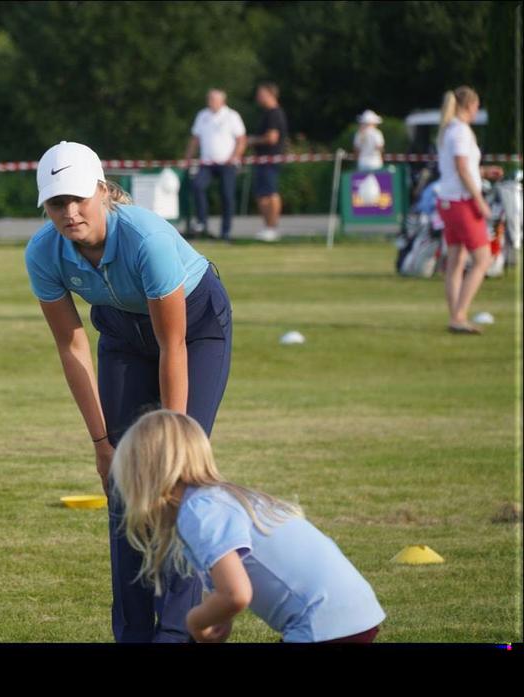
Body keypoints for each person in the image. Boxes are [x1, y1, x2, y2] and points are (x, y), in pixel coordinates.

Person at [25, 141, 233, 643]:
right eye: (56, 203)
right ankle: (134, 633)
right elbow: (72, 346)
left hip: (195, 329)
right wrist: (101, 444)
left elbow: (173, 344)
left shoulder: (146, 239)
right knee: (123, 479)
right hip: (120, 335)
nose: (70, 212)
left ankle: (179, 631)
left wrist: (174, 442)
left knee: (176, 480)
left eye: (78, 198)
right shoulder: (42, 253)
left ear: (101, 191)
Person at [110, 409, 386, 643]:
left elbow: (237, 594)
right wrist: (220, 615)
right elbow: (229, 587)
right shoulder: (221, 498)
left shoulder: (199, 510)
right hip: (356, 610)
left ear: (145, 475)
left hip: (322, 622)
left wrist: (195, 620)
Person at [435, 86, 504, 334]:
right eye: (476, 106)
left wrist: (484, 172)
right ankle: (460, 315)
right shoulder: (462, 132)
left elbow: (459, 168)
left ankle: (455, 313)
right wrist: (479, 201)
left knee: (456, 259)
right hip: (462, 202)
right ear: (469, 105)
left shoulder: (448, 130)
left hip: (447, 201)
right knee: (483, 260)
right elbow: (462, 168)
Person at [184, 89, 247, 241]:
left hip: (227, 163)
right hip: (207, 162)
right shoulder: (202, 115)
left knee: (227, 195)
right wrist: (187, 157)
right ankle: (202, 223)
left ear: (222, 101)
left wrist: (234, 157)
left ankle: (226, 232)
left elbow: (241, 140)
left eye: (213, 99)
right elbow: (195, 138)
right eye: (209, 99)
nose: (210, 101)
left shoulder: (232, 116)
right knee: (197, 186)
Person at [247, 82, 288, 242]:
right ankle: (268, 228)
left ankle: (272, 228)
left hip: (270, 159)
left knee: (270, 193)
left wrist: (252, 140)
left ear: (270, 94)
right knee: (262, 194)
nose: (258, 97)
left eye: (260, 94)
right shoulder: (268, 113)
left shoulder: (274, 114)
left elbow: (272, 138)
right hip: (264, 160)